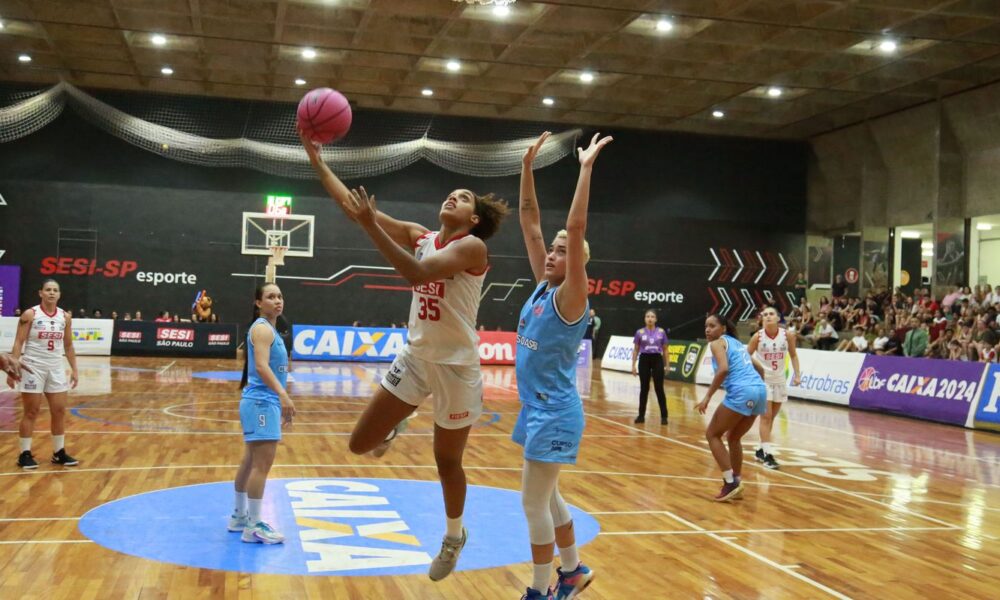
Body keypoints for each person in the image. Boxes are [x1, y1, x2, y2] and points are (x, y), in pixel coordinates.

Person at [301, 129, 509, 582]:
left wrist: (371, 223)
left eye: (464, 197)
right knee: (359, 445)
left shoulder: (472, 247)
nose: (454, 197)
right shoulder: (421, 234)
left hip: (456, 368)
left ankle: (454, 537)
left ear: (474, 219)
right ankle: (397, 421)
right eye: (452, 193)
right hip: (416, 358)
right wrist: (316, 160)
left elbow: (416, 274)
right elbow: (356, 210)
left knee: (446, 461)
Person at [514, 131, 609, 600]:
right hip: (535, 408)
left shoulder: (572, 297)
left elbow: (574, 230)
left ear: (576, 265)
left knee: (531, 501)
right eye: (550, 250)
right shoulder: (541, 286)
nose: (552, 253)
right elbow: (530, 222)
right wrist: (527, 168)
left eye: (561, 251)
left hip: (556, 411)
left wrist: (585, 169)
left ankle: (538, 589)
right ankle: (572, 571)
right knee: (548, 498)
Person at [230, 283, 296, 544]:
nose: (277, 300)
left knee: (249, 461)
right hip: (261, 403)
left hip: (259, 402)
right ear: (258, 303)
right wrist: (283, 394)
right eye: (270, 297)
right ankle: (254, 526)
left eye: (280, 296)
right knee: (261, 465)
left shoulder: (269, 329)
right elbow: (260, 365)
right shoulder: (261, 329)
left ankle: (239, 517)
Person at [6, 279, 79, 469]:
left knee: (59, 411)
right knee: (31, 411)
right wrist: (12, 369)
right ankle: (24, 453)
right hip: (33, 367)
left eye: (55, 290)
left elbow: (69, 345)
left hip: (55, 367)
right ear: (41, 293)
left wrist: (74, 369)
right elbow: (18, 343)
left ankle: (59, 452)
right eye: (48, 290)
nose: (52, 293)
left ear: (59, 294)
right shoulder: (30, 314)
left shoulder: (65, 317)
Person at [696, 314, 767, 501]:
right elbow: (760, 370)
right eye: (706, 326)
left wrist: (707, 396)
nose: (708, 330)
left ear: (723, 329)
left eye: (712, 326)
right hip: (759, 391)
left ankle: (730, 483)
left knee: (712, 434)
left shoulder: (717, 344)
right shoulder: (737, 345)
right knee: (734, 438)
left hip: (742, 391)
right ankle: (736, 480)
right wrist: (757, 389)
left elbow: (724, 369)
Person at [747, 307, 800, 471]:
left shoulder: (788, 335)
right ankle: (768, 456)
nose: (768, 316)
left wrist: (797, 375)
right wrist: (754, 372)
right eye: (765, 315)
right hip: (763, 381)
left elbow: (793, 355)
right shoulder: (758, 337)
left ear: (778, 318)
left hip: (780, 381)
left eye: (771, 314)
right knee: (766, 417)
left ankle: (760, 449)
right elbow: (745, 356)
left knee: (771, 418)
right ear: (762, 319)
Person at [630, 309, 669, 425]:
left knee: (659, 388)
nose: (650, 318)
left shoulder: (661, 332)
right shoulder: (639, 332)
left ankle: (664, 416)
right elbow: (636, 349)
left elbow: (666, 349)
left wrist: (667, 364)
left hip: (657, 359)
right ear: (645, 319)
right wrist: (633, 365)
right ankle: (641, 415)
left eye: (652, 316)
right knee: (644, 388)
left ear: (656, 319)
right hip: (644, 360)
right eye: (647, 316)